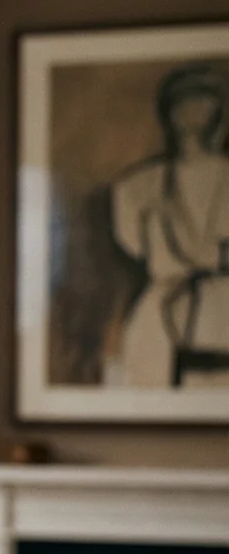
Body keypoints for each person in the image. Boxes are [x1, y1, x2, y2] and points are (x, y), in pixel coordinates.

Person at [109, 64, 229, 387]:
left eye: (203, 100)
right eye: (183, 102)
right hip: (160, 317)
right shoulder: (138, 186)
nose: (193, 111)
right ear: (169, 112)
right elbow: (133, 243)